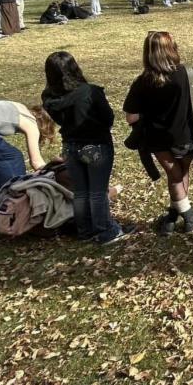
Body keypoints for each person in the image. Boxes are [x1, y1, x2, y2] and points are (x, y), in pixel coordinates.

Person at [123, 31, 193, 235]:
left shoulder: (142, 82)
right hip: (187, 135)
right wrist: (192, 104)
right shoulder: (189, 72)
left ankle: (174, 214)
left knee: (174, 174)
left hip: (158, 139)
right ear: (172, 48)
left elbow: (131, 118)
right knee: (180, 173)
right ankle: (188, 215)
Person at [41, 51, 129, 244]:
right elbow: (108, 118)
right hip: (95, 145)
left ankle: (85, 230)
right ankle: (105, 230)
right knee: (97, 191)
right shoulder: (90, 92)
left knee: (81, 191)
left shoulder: (49, 98)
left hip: (70, 146)